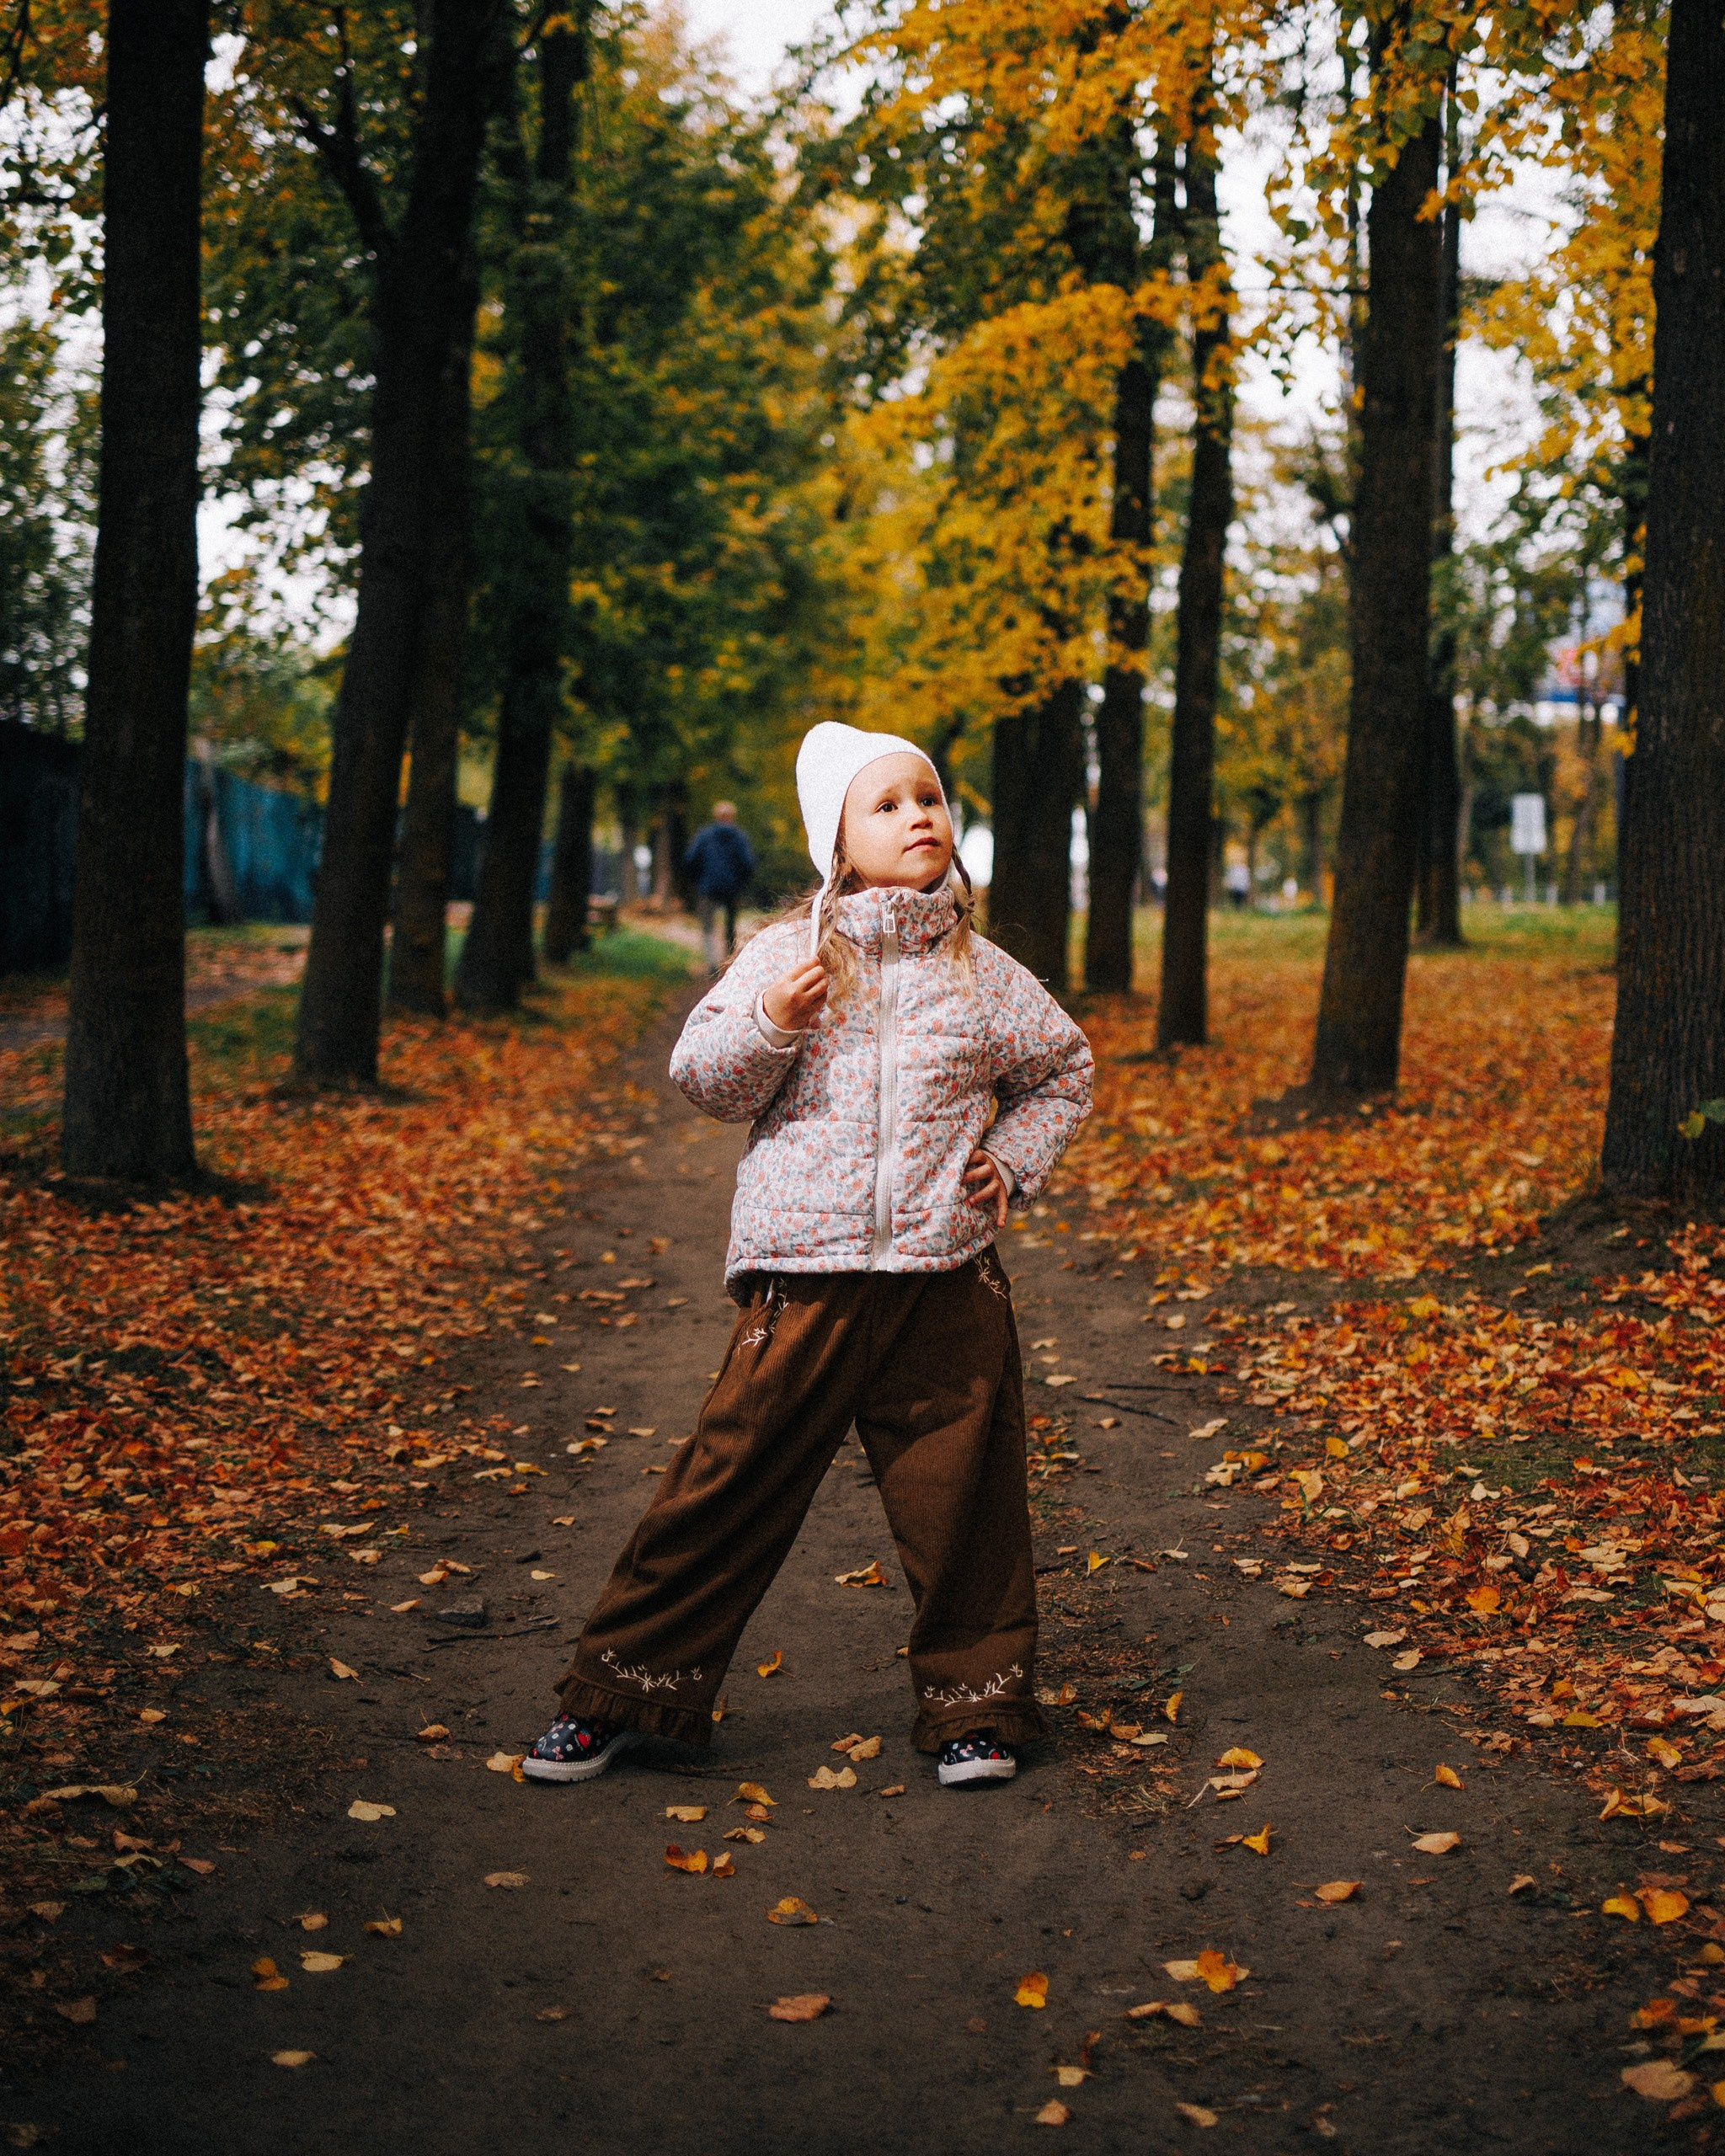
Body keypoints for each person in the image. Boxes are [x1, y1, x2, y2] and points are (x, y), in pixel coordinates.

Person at [522, 722, 1093, 1791]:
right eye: (885, 804)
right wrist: (772, 1026)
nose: (918, 815)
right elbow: (704, 1078)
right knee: (725, 1483)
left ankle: (978, 1708)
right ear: (835, 842)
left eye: (928, 797)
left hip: (943, 1280)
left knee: (963, 1498)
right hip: (803, 1277)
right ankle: (621, 1691)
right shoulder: (785, 957)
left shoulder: (984, 973)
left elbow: (1063, 1070)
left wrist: (1012, 1162)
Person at [683, 801, 756, 972]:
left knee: (708, 926)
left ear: (716, 816)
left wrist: (698, 879)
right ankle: (729, 962)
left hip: (707, 887)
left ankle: (712, 964)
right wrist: (741, 884)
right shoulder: (739, 837)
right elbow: (748, 863)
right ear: (732, 816)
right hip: (733, 888)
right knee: (730, 926)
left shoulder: (704, 835)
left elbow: (690, 859)